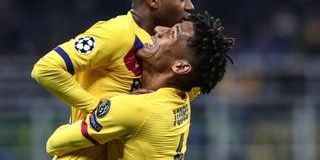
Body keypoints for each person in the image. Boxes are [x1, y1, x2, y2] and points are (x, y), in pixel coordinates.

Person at [31, 0, 196, 159]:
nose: (190, 6)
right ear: (153, 0)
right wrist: (97, 107)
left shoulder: (165, 50)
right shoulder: (115, 34)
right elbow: (45, 69)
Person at [46, 12, 235, 160]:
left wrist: (99, 106)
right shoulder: (183, 100)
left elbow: (53, 144)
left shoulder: (132, 108)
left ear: (180, 66)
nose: (159, 29)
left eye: (172, 33)